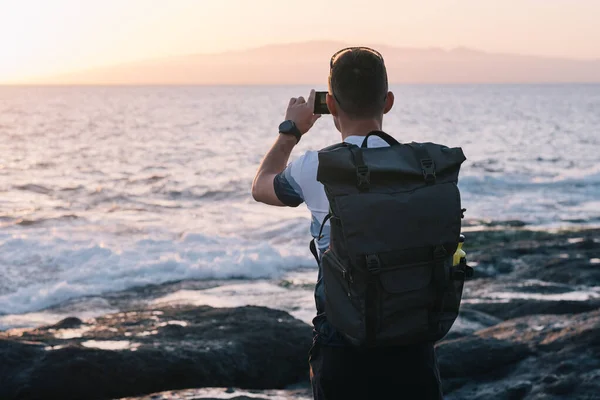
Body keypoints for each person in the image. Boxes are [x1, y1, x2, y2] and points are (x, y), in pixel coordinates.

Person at [252, 47, 443, 399]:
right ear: (387, 101)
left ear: (332, 106)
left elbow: (261, 186)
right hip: (414, 343)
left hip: (344, 348)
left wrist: (291, 131)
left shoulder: (316, 168)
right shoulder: (427, 167)